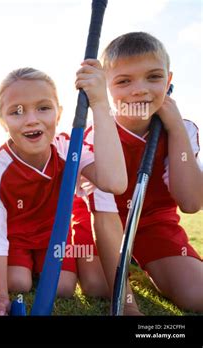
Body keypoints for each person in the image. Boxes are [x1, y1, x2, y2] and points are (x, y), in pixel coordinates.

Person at [0, 66, 128, 315]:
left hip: (54, 238)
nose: (31, 119)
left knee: (64, 287)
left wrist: (100, 103)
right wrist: (0, 294)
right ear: (2, 122)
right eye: (16, 112)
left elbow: (114, 183)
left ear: (59, 115)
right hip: (16, 239)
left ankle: (43, 266)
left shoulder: (69, 148)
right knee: (18, 283)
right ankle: (28, 268)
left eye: (43, 108)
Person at [73, 32, 203, 314]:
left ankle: (145, 261)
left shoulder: (185, 130)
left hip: (155, 225)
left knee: (198, 296)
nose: (140, 89)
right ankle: (126, 263)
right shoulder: (96, 136)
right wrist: (126, 303)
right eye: (123, 81)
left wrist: (175, 126)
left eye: (153, 77)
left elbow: (191, 202)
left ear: (168, 81)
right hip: (104, 226)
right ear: (106, 87)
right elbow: (104, 216)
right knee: (98, 286)